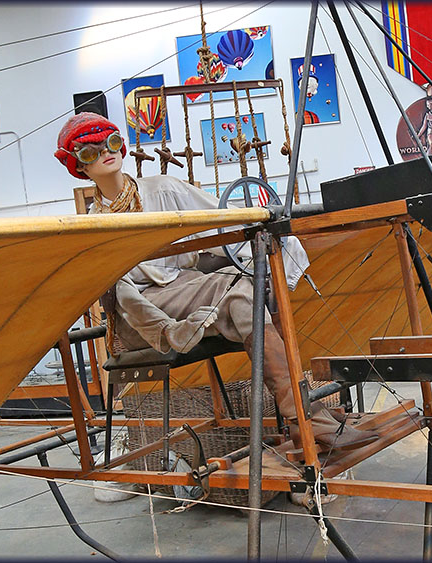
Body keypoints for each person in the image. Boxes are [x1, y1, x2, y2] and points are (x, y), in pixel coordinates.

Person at [55, 112, 376, 451]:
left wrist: (267, 247)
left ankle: (303, 413)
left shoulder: (162, 189)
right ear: (81, 167)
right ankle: (306, 415)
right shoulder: (91, 226)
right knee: (239, 295)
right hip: (143, 313)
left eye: (112, 142)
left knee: (247, 287)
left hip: (183, 284)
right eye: (90, 152)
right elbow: (121, 295)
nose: (106, 151)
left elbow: (226, 220)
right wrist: (166, 328)